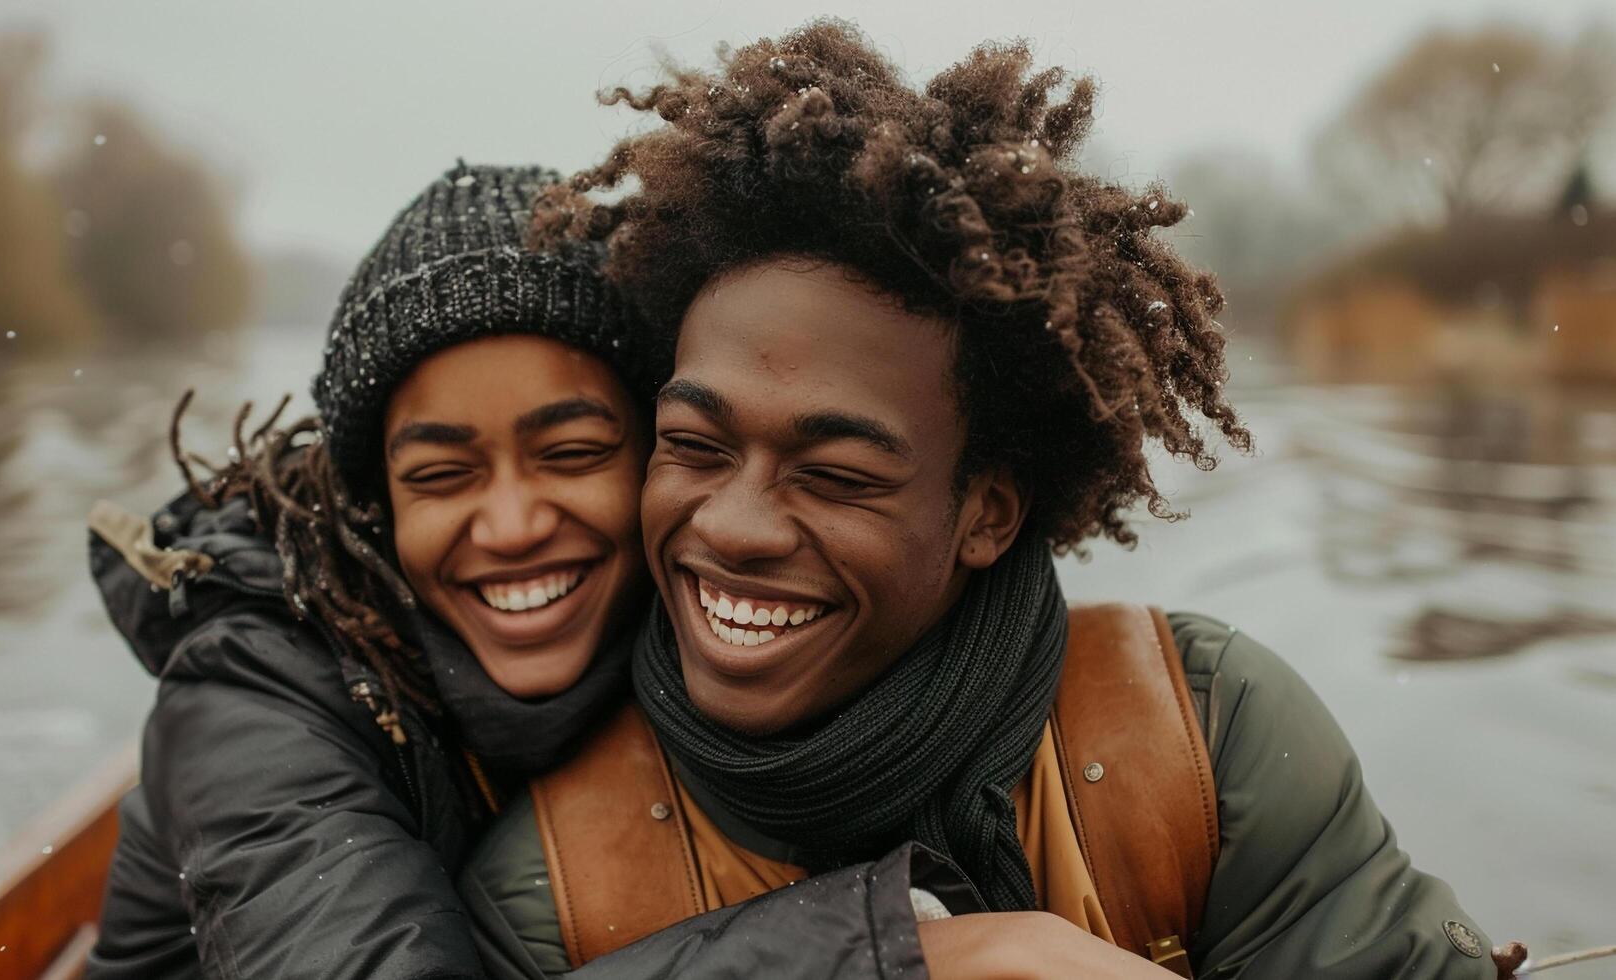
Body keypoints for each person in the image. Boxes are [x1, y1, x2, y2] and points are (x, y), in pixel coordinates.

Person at [457, 22, 1509, 979]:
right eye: (693, 445)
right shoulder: (553, 885)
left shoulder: (1204, 741)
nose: (731, 525)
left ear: (987, 513)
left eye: (836, 475)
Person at [84, 163, 653, 979]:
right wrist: (875, 936)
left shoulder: (708, 629)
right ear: (375, 506)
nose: (512, 526)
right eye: (440, 475)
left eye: (570, 455)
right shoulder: (250, 689)